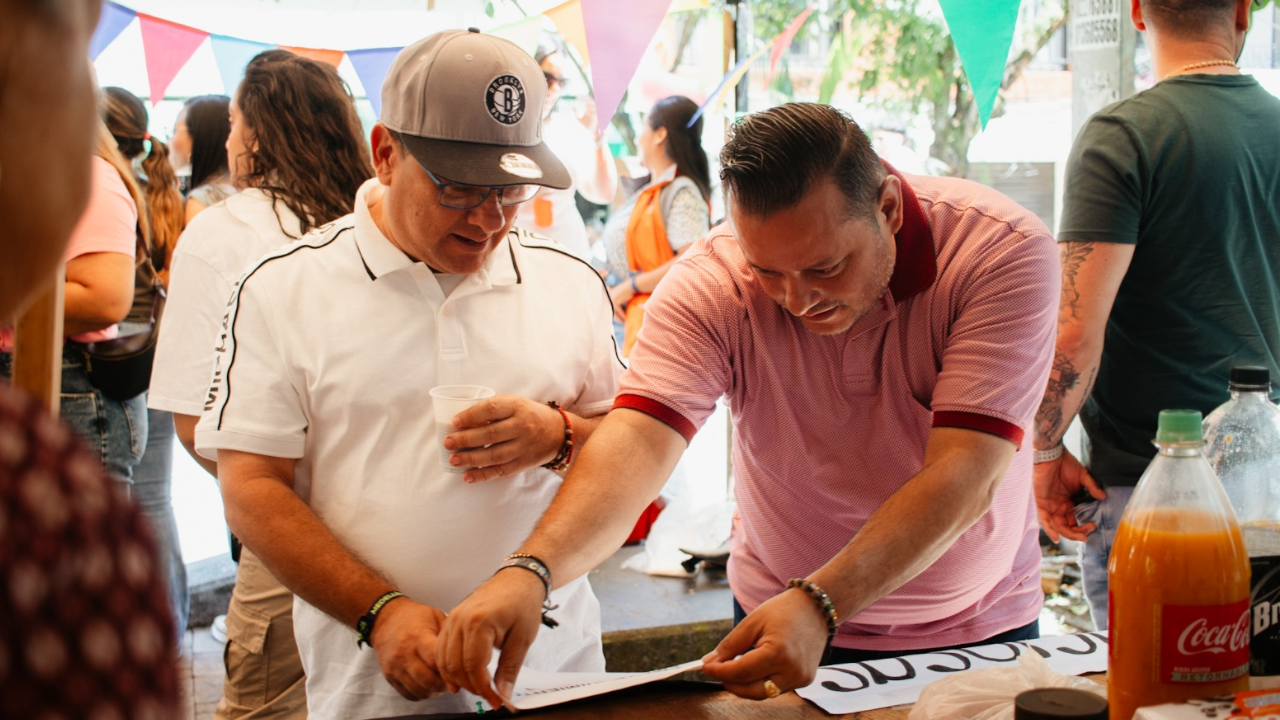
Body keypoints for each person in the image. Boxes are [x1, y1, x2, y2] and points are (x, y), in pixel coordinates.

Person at [438, 102, 1061, 707]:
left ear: (889, 208)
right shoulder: (715, 281)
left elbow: (965, 473)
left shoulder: (998, 252)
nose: (798, 300)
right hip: (778, 615)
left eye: (826, 268)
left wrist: (822, 601)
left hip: (977, 627)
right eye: (769, 273)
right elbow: (638, 442)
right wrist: (532, 570)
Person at [193, 29, 621, 719]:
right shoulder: (282, 290)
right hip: (368, 688)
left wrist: (560, 435)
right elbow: (251, 486)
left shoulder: (570, 282)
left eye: (512, 191)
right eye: (460, 189)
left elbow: (632, 449)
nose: (489, 220)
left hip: (555, 673)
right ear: (386, 153)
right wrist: (380, 612)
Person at [1031, 0, 1280, 627]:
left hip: (1154, 488)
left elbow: (1074, 332)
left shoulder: (1125, 136)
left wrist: (1043, 450)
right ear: (1243, 13)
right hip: (1270, 486)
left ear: (1138, 13)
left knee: (1150, 674)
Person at [149, 49, 374, 719]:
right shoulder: (381, 222)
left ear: (256, 134)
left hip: (287, 541)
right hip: (399, 522)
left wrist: (271, 501)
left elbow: (194, 420)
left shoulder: (222, 233)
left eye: (234, 121)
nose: (227, 139)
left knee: (267, 707)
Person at [1, 0, 180, 715]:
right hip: (55, 385)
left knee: (138, 511)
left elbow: (105, 295)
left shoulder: (95, 177)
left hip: (78, 385)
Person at [102, 83, 191, 647]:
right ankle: (170, 630)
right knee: (156, 496)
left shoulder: (101, 185)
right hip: (156, 353)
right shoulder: (164, 192)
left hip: (110, 357)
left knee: (127, 501)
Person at [602, 95, 710, 357]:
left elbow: (690, 260)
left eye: (643, 127)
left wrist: (628, 287)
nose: (638, 137)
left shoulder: (681, 192)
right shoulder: (655, 189)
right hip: (630, 315)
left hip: (651, 321)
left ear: (660, 134)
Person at [513, 39, 617, 260]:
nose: (554, 89)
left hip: (569, 250)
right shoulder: (504, 131)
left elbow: (602, 194)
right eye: (546, 78)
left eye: (561, 81)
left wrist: (598, 138)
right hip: (518, 253)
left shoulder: (566, 129)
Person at [169, 93, 236, 222]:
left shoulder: (201, 201)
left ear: (199, 135)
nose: (170, 141)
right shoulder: (238, 191)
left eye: (175, 131)